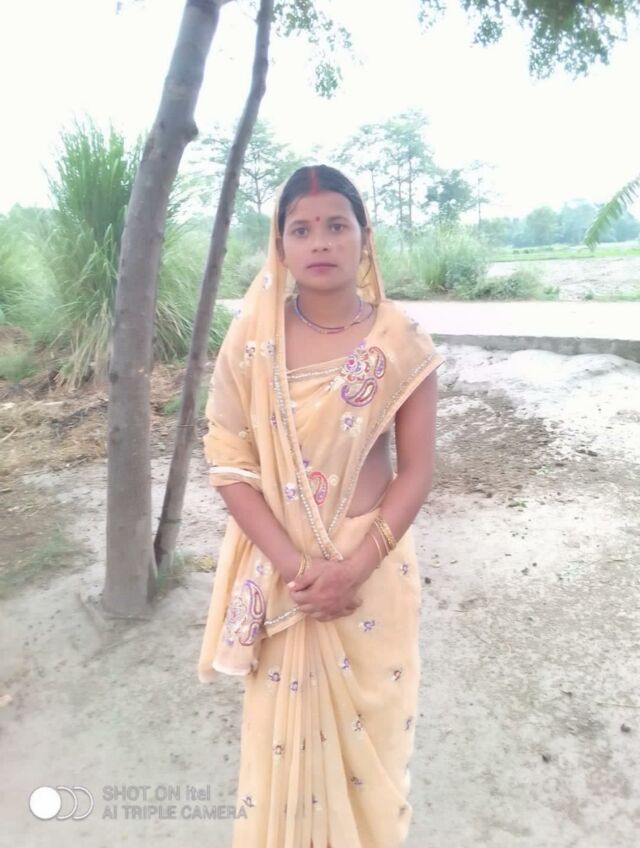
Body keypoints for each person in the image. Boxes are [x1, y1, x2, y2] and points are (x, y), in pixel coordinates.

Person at [197, 164, 444, 847]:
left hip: (374, 573)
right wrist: (299, 570)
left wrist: (351, 569)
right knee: (284, 751)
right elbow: (229, 462)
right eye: (301, 229)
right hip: (287, 575)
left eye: (337, 224)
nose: (320, 241)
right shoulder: (254, 341)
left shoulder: (400, 340)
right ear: (280, 244)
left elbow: (417, 471)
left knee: (372, 749)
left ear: (365, 237)